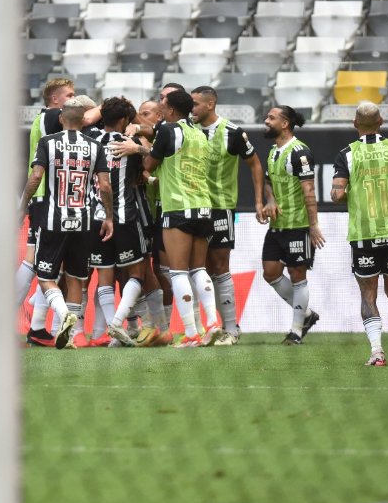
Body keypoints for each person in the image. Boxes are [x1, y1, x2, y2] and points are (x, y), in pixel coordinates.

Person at [20, 99, 114, 349]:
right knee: (75, 278)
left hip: (53, 219)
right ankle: (73, 335)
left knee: (45, 276)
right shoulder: (95, 146)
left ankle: (63, 315)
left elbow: (36, 177)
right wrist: (108, 216)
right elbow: (105, 185)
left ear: (61, 118)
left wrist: (22, 206)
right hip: (83, 221)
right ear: (84, 120)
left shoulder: (48, 143)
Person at [144, 89, 223, 348]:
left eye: (163, 106)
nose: (160, 110)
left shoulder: (168, 131)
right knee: (199, 269)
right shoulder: (199, 133)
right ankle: (212, 324)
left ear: (172, 110)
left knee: (178, 272)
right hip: (203, 207)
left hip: (178, 208)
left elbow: (148, 165)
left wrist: (137, 148)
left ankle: (191, 333)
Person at [330, 101, 388, 366]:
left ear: (355, 124)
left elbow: (337, 195)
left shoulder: (346, 154)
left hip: (364, 233)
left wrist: (346, 191)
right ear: (381, 121)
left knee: (368, 295)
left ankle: (377, 352)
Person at [191, 86, 264, 346]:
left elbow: (255, 163)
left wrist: (258, 201)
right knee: (199, 269)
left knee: (220, 266)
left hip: (220, 208)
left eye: (196, 104)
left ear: (210, 104)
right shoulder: (186, 130)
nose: (193, 109)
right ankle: (206, 328)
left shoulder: (232, 132)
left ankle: (231, 328)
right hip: (192, 208)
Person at [90, 97, 166, 346]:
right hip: (128, 215)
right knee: (138, 271)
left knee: (107, 275)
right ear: (124, 119)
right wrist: (140, 147)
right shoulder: (130, 143)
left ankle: (123, 329)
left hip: (96, 217)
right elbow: (149, 166)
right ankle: (124, 325)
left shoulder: (89, 140)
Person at [257, 105, 324, 345]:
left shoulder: (300, 152)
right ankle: (306, 315)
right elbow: (268, 182)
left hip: (298, 226)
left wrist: (313, 225)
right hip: (277, 226)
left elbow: (309, 191)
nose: (266, 121)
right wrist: (270, 200)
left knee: (297, 275)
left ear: (284, 123)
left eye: (271, 118)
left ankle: (296, 332)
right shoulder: (274, 151)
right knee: (270, 273)